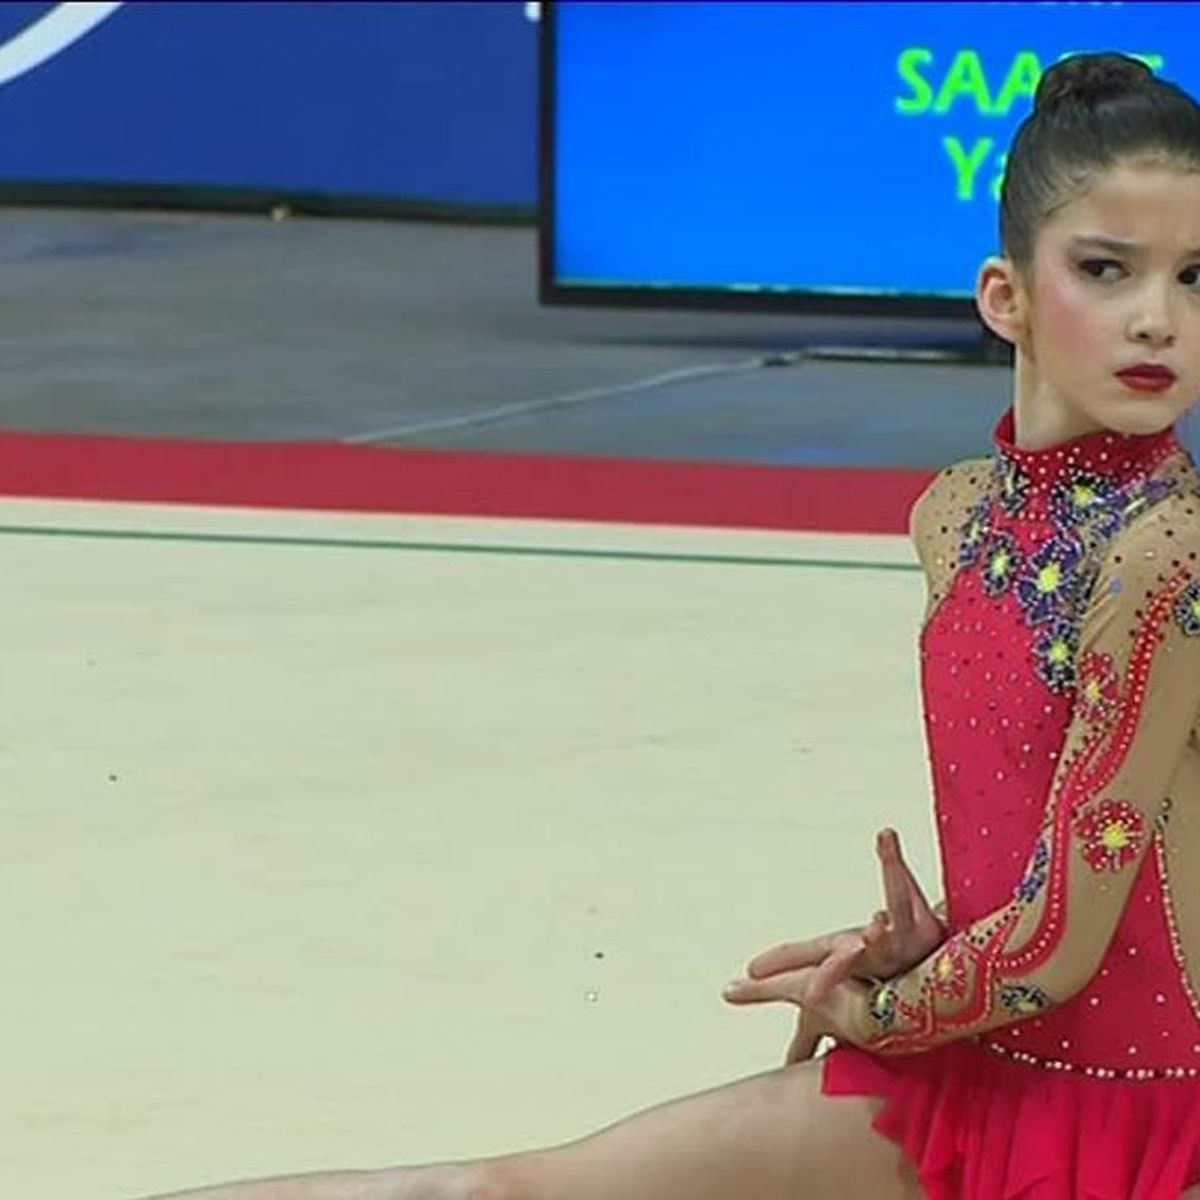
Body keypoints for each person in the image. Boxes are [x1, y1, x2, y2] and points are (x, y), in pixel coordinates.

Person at [138, 50, 1200, 1200]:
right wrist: (929, 947)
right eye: (1107, 270)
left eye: (1197, 278)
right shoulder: (954, 519)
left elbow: (1060, 941)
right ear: (1006, 296)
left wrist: (876, 1009)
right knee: (492, 1190)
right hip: (980, 1071)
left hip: (1155, 1116)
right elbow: (1045, 873)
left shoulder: (1167, 553)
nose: (1159, 320)